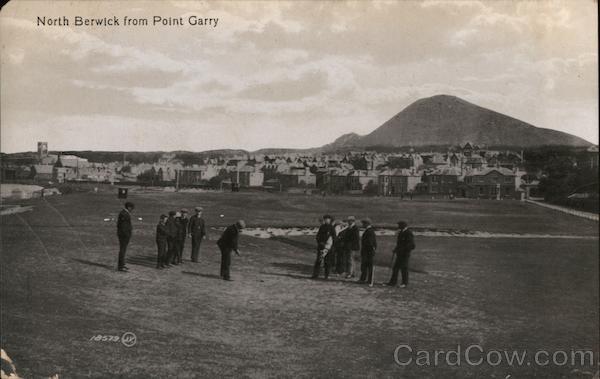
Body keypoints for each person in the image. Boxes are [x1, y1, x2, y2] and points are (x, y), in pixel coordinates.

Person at [386, 221, 416, 288]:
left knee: (404, 269)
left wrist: (403, 250)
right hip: (399, 254)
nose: (398, 226)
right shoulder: (401, 232)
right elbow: (399, 244)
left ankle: (405, 283)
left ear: (403, 225)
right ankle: (393, 282)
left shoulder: (408, 233)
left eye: (399, 225)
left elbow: (412, 245)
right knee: (395, 268)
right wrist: (396, 249)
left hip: (405, 255)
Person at [312, 215, 335, 279]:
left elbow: (334, 238)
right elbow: (318, 236)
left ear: (330, 220)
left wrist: (332, 247)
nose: (326, 220)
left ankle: (326, 276)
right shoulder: (322, 227)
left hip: (328, 248)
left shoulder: (332, 228)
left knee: (327, 262)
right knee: (318, 261)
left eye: (328, 219)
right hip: (321, 247)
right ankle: (315, 274)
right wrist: (320, 242)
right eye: (325, 219)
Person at [116, 202, 134, 272]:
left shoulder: (124, 213)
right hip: (124, 235)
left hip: (124, 234)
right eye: (131, 208)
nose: (132, 210)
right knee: (122, 250)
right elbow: (123, 226)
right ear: (129, 207)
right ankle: (120, 266)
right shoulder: (124, 214)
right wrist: (127, 234)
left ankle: (122, 264)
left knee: (123, 250)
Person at [358, 218, 377, 286]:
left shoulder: (370, 231)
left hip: (369, 252)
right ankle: (363, 279)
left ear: (367, 224)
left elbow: (370, 243)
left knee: (369, 266)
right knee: (364, 266)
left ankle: (369, 280)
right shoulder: (368, 230)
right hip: (366, 251)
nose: (362, 224)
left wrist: (371, 250)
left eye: (364, 223)